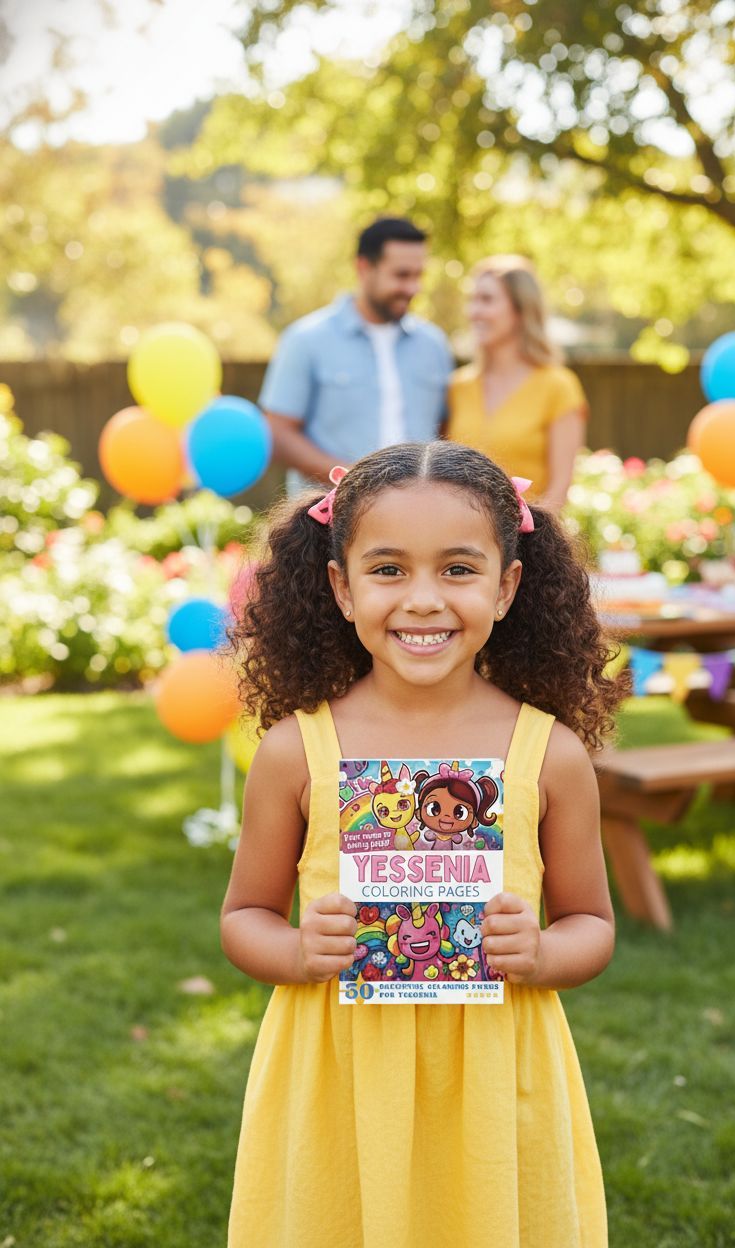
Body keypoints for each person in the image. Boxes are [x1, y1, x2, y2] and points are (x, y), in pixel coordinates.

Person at [222, 440, 625, 1248]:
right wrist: (299, 950)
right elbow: (243, 918)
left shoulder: (549, 755)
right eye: (389, 570)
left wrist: (543, 954)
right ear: (341, 587)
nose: (423, 600)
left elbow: (593, 924)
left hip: (494, 1082)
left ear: (507, 587)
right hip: (340, 1079)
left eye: (458, 569)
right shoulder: (296, 752)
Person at [259, 216, 454, 494]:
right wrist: (353, 482)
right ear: (364, 268)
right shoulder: (305, 340)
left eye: (418, 276)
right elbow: (277, 433)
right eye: (401, 275)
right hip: (328, 521)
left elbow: (446, 430)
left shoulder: (434, 345)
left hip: (418, 521)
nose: (412, 288)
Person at [447, 254, 589, 512]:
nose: (473, 312)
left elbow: (559, 491)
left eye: (486, 300)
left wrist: (529, 544)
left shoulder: (558, 386)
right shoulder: (458, 386)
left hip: (529, 541)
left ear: (521, 309)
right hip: (461, 542)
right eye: (472, 300)